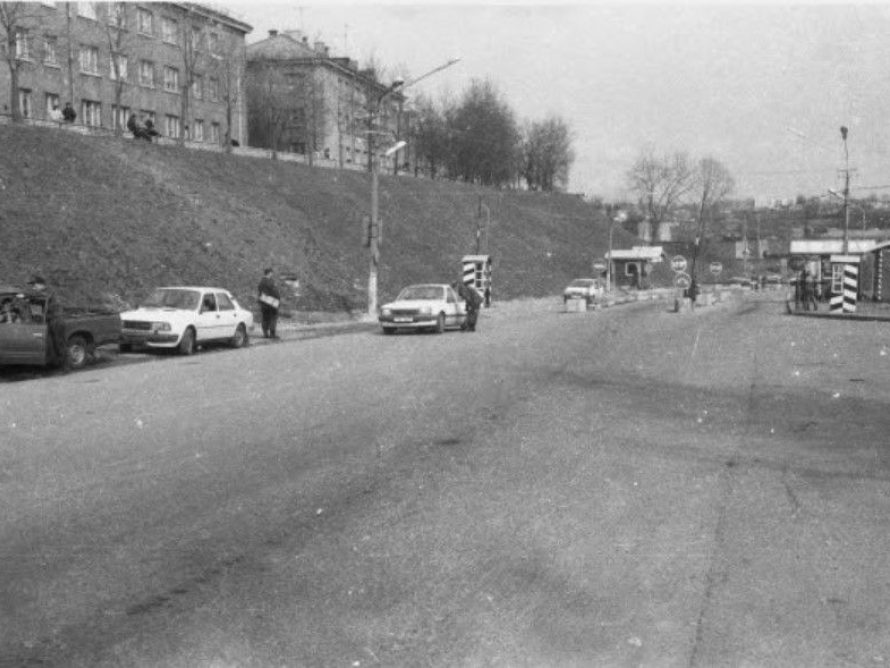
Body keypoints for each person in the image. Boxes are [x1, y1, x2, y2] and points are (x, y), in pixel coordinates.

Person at [27, 275, 69, 370]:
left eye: (34, 285)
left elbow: (43, 299)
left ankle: (65, 366)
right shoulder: (40, 295)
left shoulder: (48, 292)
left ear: (41, 284)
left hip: (56, 320)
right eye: (32, 285)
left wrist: (30, 297)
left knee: (59, 343)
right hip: (49, 321)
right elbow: (37, 308)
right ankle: (56, 365)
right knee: (51, 344)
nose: (33, 287)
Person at [257, 267, 281, 339]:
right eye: (271, 273)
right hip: (271, 303)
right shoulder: (270, 282)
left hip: (263, 303)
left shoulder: (261, 282)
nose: (272, 274)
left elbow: (260, 292)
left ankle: (265, 334)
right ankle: (272, 334)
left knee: (265, 318)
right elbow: (275, 292)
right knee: (273, 318)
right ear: (269, 273)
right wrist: (278, 299)